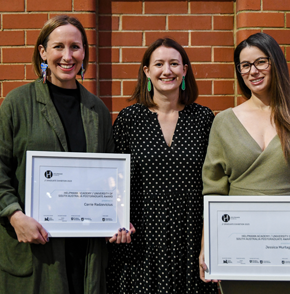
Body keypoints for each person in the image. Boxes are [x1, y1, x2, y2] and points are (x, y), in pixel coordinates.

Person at [0, 15, 130, 294]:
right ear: (43, 52)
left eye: (75, 47)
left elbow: (111, 179)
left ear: (84, 52)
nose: (67, 56)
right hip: (37, 250)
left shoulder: (96, 110)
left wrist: (117, 217)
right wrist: (15, 216)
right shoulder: (18, 103)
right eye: (58, 47)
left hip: (85, 251)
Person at [199, 32, 290, 294]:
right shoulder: (224, 122)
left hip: (287, 251)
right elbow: (213, 191)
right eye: (245, 65)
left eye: (261, 62)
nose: (253, 71)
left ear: (276, 63)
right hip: (235, 246)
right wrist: (207, 247)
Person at [106, 38, 218, 293]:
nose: (167, 71)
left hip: (189, 236)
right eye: (159, 64)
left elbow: (215, 180)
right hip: (140, 238)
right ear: (147, 71)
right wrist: (115, 220)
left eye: (174, 64)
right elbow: (113, 180)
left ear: (185, 70)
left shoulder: (203, 119)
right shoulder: (130, 119)